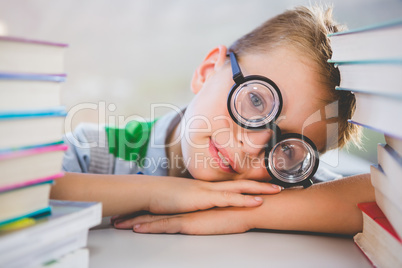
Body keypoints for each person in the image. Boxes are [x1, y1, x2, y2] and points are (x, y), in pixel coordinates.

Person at [51, 5, 375, 235]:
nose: (252, 144)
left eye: (287, 149)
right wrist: (158, 192)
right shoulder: (97, 152)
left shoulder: (282, 187)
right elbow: (26, 189)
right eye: (256, 99)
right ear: (208, 71)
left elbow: (388, 195)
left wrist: (252, 214)